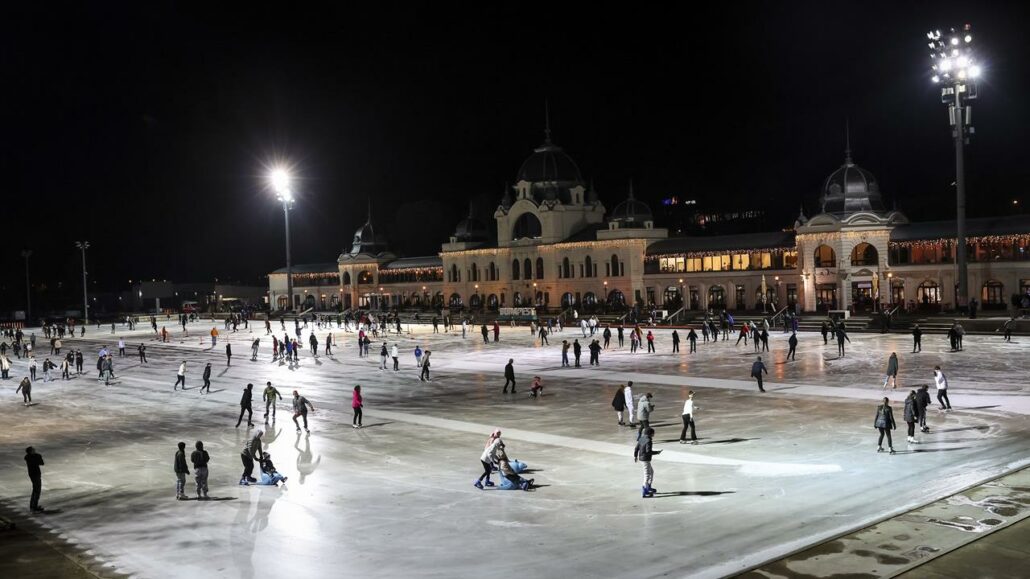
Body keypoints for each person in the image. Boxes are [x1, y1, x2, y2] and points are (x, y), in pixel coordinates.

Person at [634, 427, 657, 498]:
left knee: (651, 472)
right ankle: (644, 491)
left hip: (642, 458)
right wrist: (656, 452)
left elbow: (636, 448)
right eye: (653, 433)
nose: (654, 434)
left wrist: (635, 456)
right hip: (645, 459)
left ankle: (648, 486)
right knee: (647, 474)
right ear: (650, 434)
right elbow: (648, 451)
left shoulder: (642, 438)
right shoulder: (648, 440)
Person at [25, 446, 45, 512]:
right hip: (35, 475)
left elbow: (42, 463)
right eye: (33, 450)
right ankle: (34, 507)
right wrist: (38, 456)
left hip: (34, 474)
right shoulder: (30, 458)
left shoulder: (30, 457)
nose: (35, 450)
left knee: (35, 490)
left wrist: (38, 456)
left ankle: (33, 506)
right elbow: (40, 462)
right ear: (31, 451)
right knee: (37, 490)